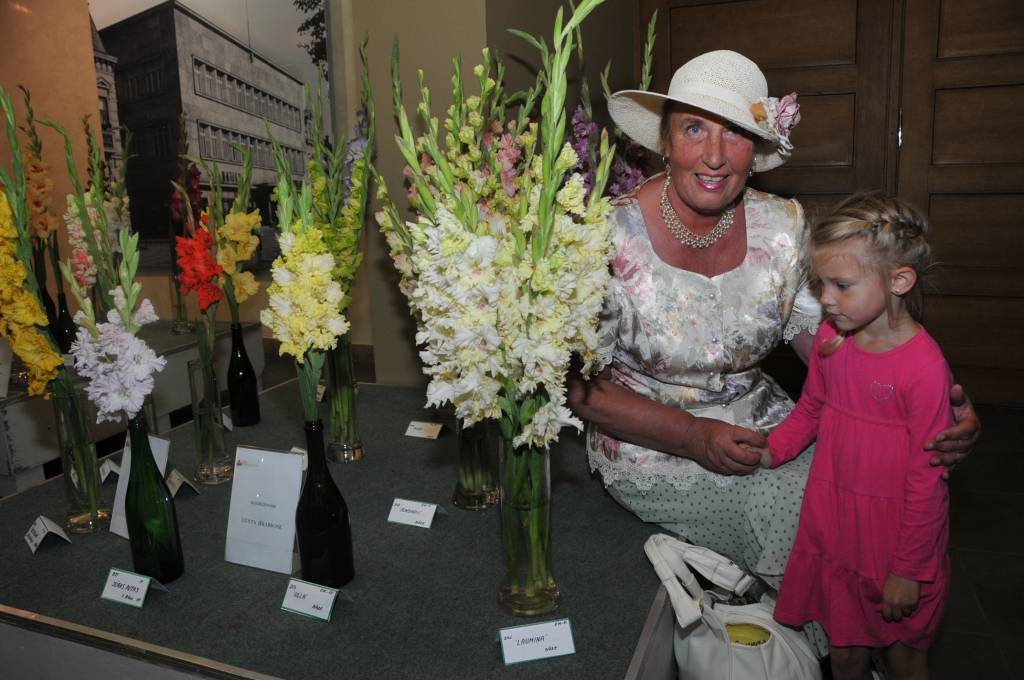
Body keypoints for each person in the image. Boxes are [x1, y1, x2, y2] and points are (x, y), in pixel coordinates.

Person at [565, 49, 979, 591]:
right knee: (809, 527)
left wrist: (921, 407)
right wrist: (691, 435)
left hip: (776, 429)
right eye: (694, 128)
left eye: (734, 133)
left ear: (757, 149)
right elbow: (579, 389)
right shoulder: (605, 237)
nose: (714, 156)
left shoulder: (783, 226)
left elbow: (833, 348)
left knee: (880, 505)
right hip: (654, 448)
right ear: (664, 142)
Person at [758, 193, 950, 680]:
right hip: (837, 527)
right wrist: (771, 450)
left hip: (896, 542)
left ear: (899, 281)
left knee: (905, 657)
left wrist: (907, 570)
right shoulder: (830, 340)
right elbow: (812, 409)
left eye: (841, 285)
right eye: (821, 284)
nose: (825, 299)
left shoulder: (925, 369)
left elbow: (928, 481)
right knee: (844, 654)